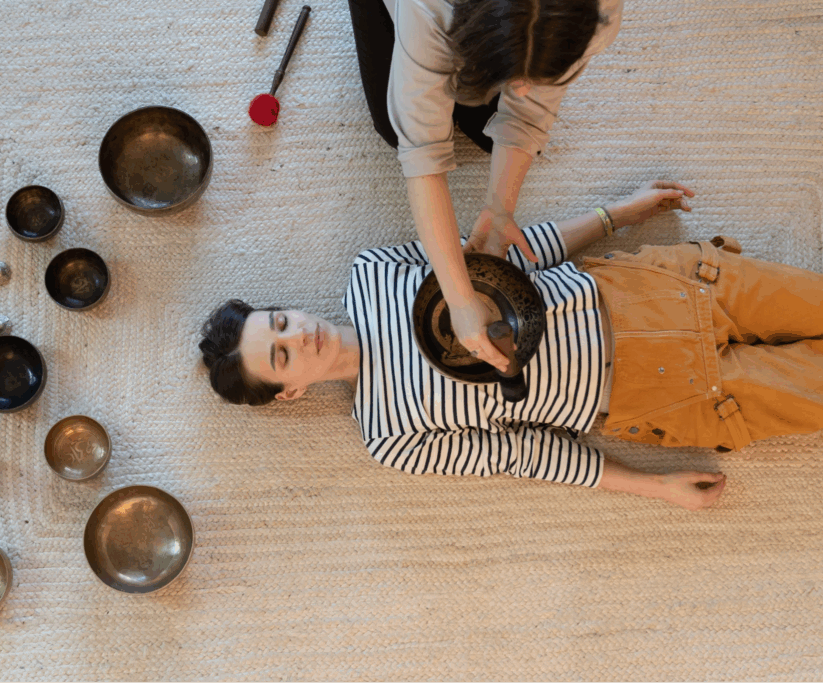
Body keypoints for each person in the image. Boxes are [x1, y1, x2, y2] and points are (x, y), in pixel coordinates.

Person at [199, 181, 823, 511]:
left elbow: (502, 258)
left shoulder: (373, 270)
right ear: (293, 391)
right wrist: (656, 489)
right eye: (281, 355)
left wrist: (614, 217)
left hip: (657, 289)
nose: (297, 334)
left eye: (279, 321)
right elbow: (526, 455)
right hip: (665, 395)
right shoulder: (389, 436)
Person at [347, 0, 623, 373]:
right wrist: (460, 303)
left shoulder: (600, 12)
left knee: (487, 128)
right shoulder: (430, 7)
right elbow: (423, 156)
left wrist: (500, 210)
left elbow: (529, 114)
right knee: (391, 124)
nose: (522, 91)